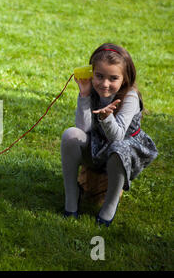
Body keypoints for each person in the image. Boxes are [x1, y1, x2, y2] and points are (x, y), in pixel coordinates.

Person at [60, 43, 158, 226]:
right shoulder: (92, 89)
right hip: (98, 147)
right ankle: (71, 200)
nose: (105, 84)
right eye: (99, 76)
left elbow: (117, 137)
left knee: (119, 149)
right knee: (71, 135)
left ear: (125, 78)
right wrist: (84, 95)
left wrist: (107, 118)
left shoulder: (130, 97)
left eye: (113, 78)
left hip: (124, 154)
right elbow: (83, 128)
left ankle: (109, 207)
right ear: (91, 72)